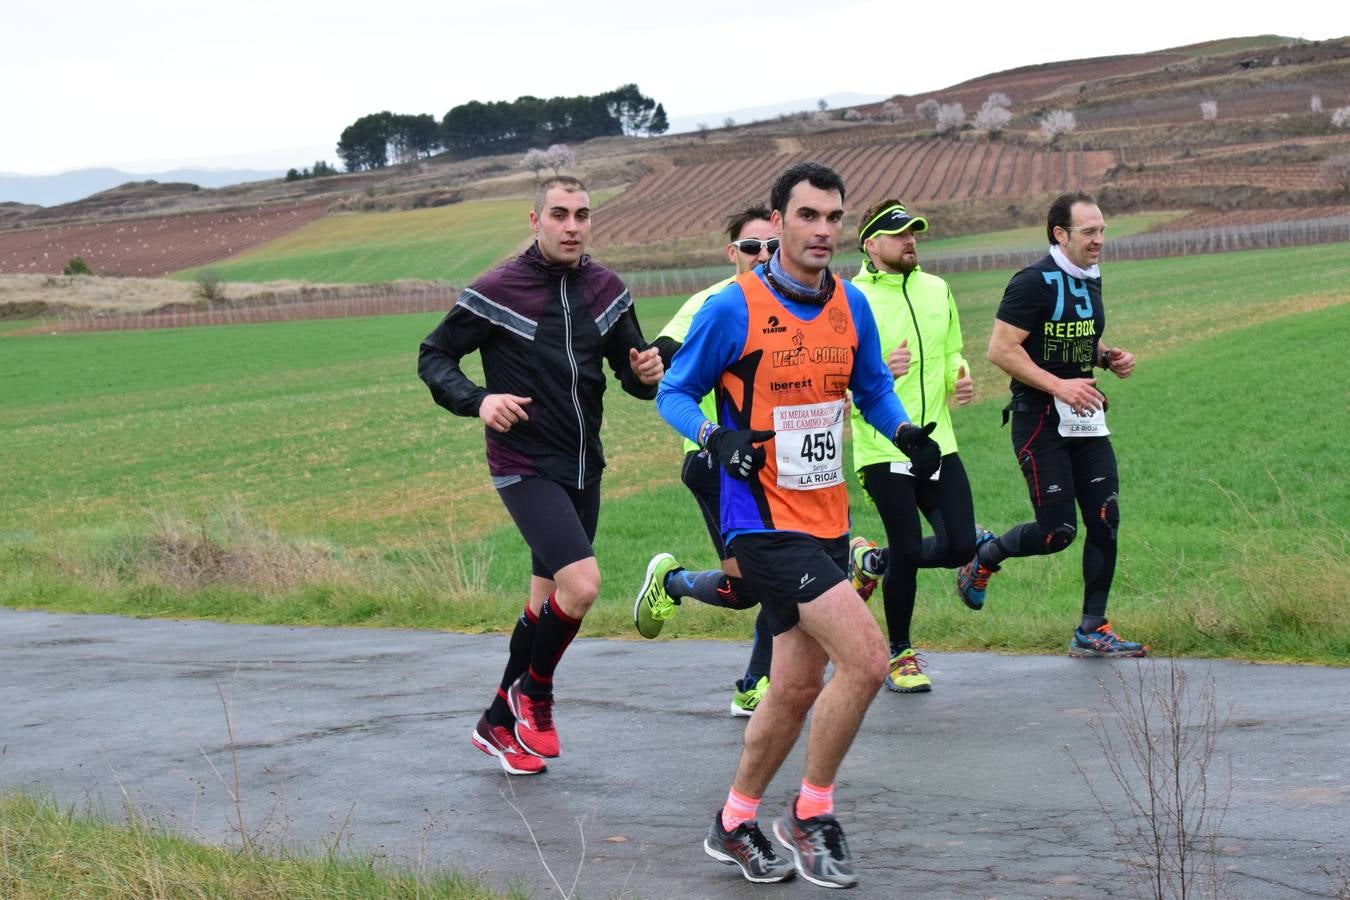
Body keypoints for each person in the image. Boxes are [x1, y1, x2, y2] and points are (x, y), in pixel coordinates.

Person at [657, 162, 941, 887]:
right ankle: (811, 815)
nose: (822, 230)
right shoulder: (733, 307)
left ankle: (733, 822)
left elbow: (872, 388)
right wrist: (712, 438)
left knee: (792, 688)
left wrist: (904, 432)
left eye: (833, 217)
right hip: (759, 520)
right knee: (869, 660)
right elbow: (674, 392)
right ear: (778, 222)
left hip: (825, 516)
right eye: (807, 216)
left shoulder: (850, 305)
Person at [417, 175, 664, 776]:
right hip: (523, 464)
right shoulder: (498, 289)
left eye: (582, 214)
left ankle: (497, 722)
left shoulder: (607, 290)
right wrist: (478, 400)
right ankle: (535, 695)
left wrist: (647, 371)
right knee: (580, 586)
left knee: (545, 605)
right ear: (536, 220)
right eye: (560, 214)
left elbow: (632, 377)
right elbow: (433, 355)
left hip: (585, 465)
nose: (573, 225)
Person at [973, 190, 1146, 658]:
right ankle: (984, 556)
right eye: (1089, 232)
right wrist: (1059, 387)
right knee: (1057, 533)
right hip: (1039, 421)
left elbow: (1074, 337)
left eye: (1102, 229)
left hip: (1086, 419)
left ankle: (1092, 628)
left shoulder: (1089, 275)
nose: (1099, 239)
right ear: (1060, 234)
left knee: (1106, 518)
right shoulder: (1032, 282)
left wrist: (1108, 357)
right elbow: (1001, 350)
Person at [633, 205, 781, 718]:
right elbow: (665, 354)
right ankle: (673, 585)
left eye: (772, 247)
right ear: (732, 254)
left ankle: (753, 680)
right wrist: (650, 362)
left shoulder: (802, 298)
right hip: (717, 463)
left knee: (766, 583)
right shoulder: (712, 302)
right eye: (752, 248)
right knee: (755, 587)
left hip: (783, 468)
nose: (764, 256)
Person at [846, 199, 987, 693]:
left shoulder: (937, 289)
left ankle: (872, 562)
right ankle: (900, 654)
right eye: (899, 233)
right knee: (909, 546)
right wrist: (883, 369)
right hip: (883, 446)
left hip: (938, 442)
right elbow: (837, 382)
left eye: (914, 233)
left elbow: (951, 351)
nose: (911, 241)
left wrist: (959, 376)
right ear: (872, 244)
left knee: (962, 545)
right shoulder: (851, 299)